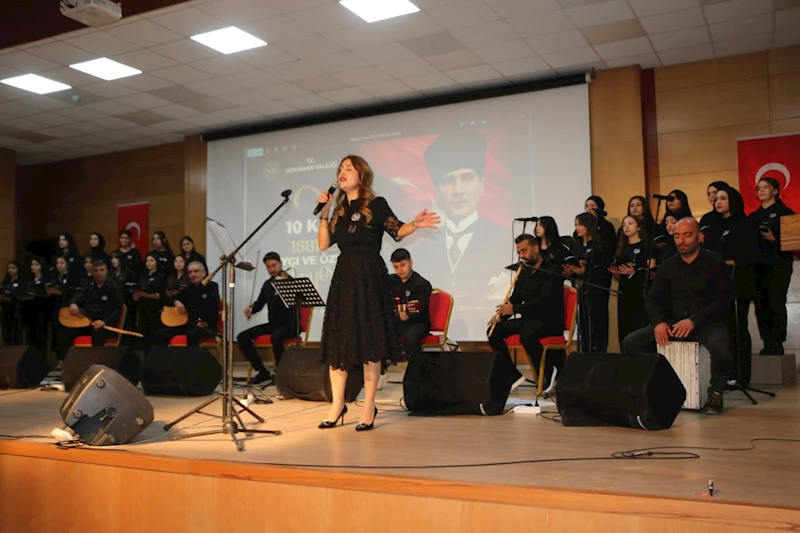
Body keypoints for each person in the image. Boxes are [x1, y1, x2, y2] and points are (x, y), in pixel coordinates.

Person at [316, 155, 439, 431]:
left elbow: (398, 230)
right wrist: (324, 213)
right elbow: (324, 244)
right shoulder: (339, 210)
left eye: (349, 168)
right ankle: (337, 405)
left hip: (370, 278)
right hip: (344, 279)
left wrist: (415, 223)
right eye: (340, 168)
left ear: (362, 175)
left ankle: (368, 405)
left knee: (370, 343)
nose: (342, 172)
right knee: (339, 341)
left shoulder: (376, 204)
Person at [622, 218, 731, 415]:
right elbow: (652, 298)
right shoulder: (668, 265)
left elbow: (722, 300)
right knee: (631, 342)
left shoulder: (715, 262)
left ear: (700, 236)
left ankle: (715, 394)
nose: (682, 240)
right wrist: (658, 322)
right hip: (674, 322)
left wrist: (694, 320)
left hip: (706, 322)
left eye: (687, 235)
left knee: (721, 348)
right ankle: (647, 391)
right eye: (677, 236)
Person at [409, 130, 508, 338]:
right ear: (437, 191)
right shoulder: (424, 246)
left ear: (482, 186)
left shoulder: (503, 239)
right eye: (448, 181)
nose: (458, 190)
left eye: (467, 178)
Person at [487, 234, 564, 392]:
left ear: (536, 248)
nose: (522, 256)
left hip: (549, 320)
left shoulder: (551, 269)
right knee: (493, 332)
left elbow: (544, 302)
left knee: (527, 334)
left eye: (524, 251)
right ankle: (512, 375)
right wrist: (501, 316)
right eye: (519, 252)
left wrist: (515, 309)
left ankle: (547, 371)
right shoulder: (524, 271)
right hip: (529, 319)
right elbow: (515, 299)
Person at [703, 185, 759, 387]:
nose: (717, 201)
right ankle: (725, 375)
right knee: (721, 331)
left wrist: (726, 262)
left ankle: (741, 376)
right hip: (716, 286)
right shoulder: (713, 226)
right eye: (716, 198)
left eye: (723, 198)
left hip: (738, 284)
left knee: (737, 328)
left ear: (733, 201)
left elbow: (749, 255)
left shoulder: (745, 224)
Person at [748, 177, 795, 355]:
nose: (761, 190)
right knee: (761, 304)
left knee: (776, 302)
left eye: (765, 187)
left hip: (778, 265)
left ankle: (777, 342)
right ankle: (767, 341)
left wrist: (774, 239)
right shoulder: (753, 217)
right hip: (757, 267)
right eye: (758, 188)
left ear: (775, 191)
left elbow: (793, 242)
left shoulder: (785, 212)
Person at [237, 252, 297, 385]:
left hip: (290, 325)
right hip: (273, 324)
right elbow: (260, 303)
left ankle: (281, 374)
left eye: (274, 265)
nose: (272, 269)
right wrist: (251, 309)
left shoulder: (291, 281)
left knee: (275, 337)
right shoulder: (267, 284)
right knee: (242, 337)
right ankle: (262, 372)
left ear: (281, 263)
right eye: (268, 267)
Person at [56, 260, 122, 361]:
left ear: (107, 271)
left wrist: (104, 322)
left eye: (101, 270)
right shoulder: (89, 288)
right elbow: (76, 298)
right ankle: (64, 363)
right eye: (96, 270)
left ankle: (97, 363)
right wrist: (73, 304)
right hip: (88, 324)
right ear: (92, 272)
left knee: (98, 333)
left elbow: (117, 310)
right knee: (65, 332)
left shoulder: (114, 289)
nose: (98, 273)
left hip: (106, 326)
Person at [566, 212, 611, 353]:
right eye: (576, 225)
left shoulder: (600, 247)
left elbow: (604, 273)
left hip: (596, 294)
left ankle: (599, 356)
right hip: (581, 293)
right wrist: (569, 272)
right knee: (583, 329)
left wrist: (585, 271)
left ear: (588, 225)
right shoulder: (575, 248)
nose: (577, 228)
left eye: (580, 224)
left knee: (597, 329)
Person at [151, 261, 219, 347]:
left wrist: (203, 320)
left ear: (204, 273)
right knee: (160, 334)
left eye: (196, 271)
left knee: (192, 335)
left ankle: (192, 356)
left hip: (207, 326)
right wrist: (176, 302)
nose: (193, 274)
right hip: (190, 324)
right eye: (190, 272)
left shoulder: (212, 286)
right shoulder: (189, 289)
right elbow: (171, 299)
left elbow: (212, 306)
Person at [611, 215, 653, 346]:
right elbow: (618, 275)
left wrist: (634, 273)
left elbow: (651, 271)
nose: (626, 227)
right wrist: (616, 273)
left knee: (638, 326)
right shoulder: (621, 249)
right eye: (624, 225)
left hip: (640, 291)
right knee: (624, 326)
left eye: (630, 223)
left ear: (639, 227)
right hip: (624, 291)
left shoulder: (646, 246)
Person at [389, 248, 432, 363]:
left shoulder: (422, 284)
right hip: (396, 320)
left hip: (418, 322)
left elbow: (421, 309)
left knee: (410, 336)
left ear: (411, 263)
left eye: (403, 265)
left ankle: (415, 366)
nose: (400, 270)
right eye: (396, 267)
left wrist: (408, 316)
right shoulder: (392, 281)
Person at [132, 254, 165, 342]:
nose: (149, 263)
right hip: (142, 308)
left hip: (154, 309)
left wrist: (143, 294)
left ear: (156, 262)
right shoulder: (142, 276)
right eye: (147, 261)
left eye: (151, 260)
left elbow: (160, 296)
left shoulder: (161, 276)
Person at [1, 260, 25, 346]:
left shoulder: (22, 281)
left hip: (16, 310)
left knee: (16, 334)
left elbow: (22, 295)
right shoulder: (6, 281)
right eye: (8, 268)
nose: (10, 270)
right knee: (6, 333)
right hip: (5, 311)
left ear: (18, 269)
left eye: (13, 268)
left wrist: (13, 294)